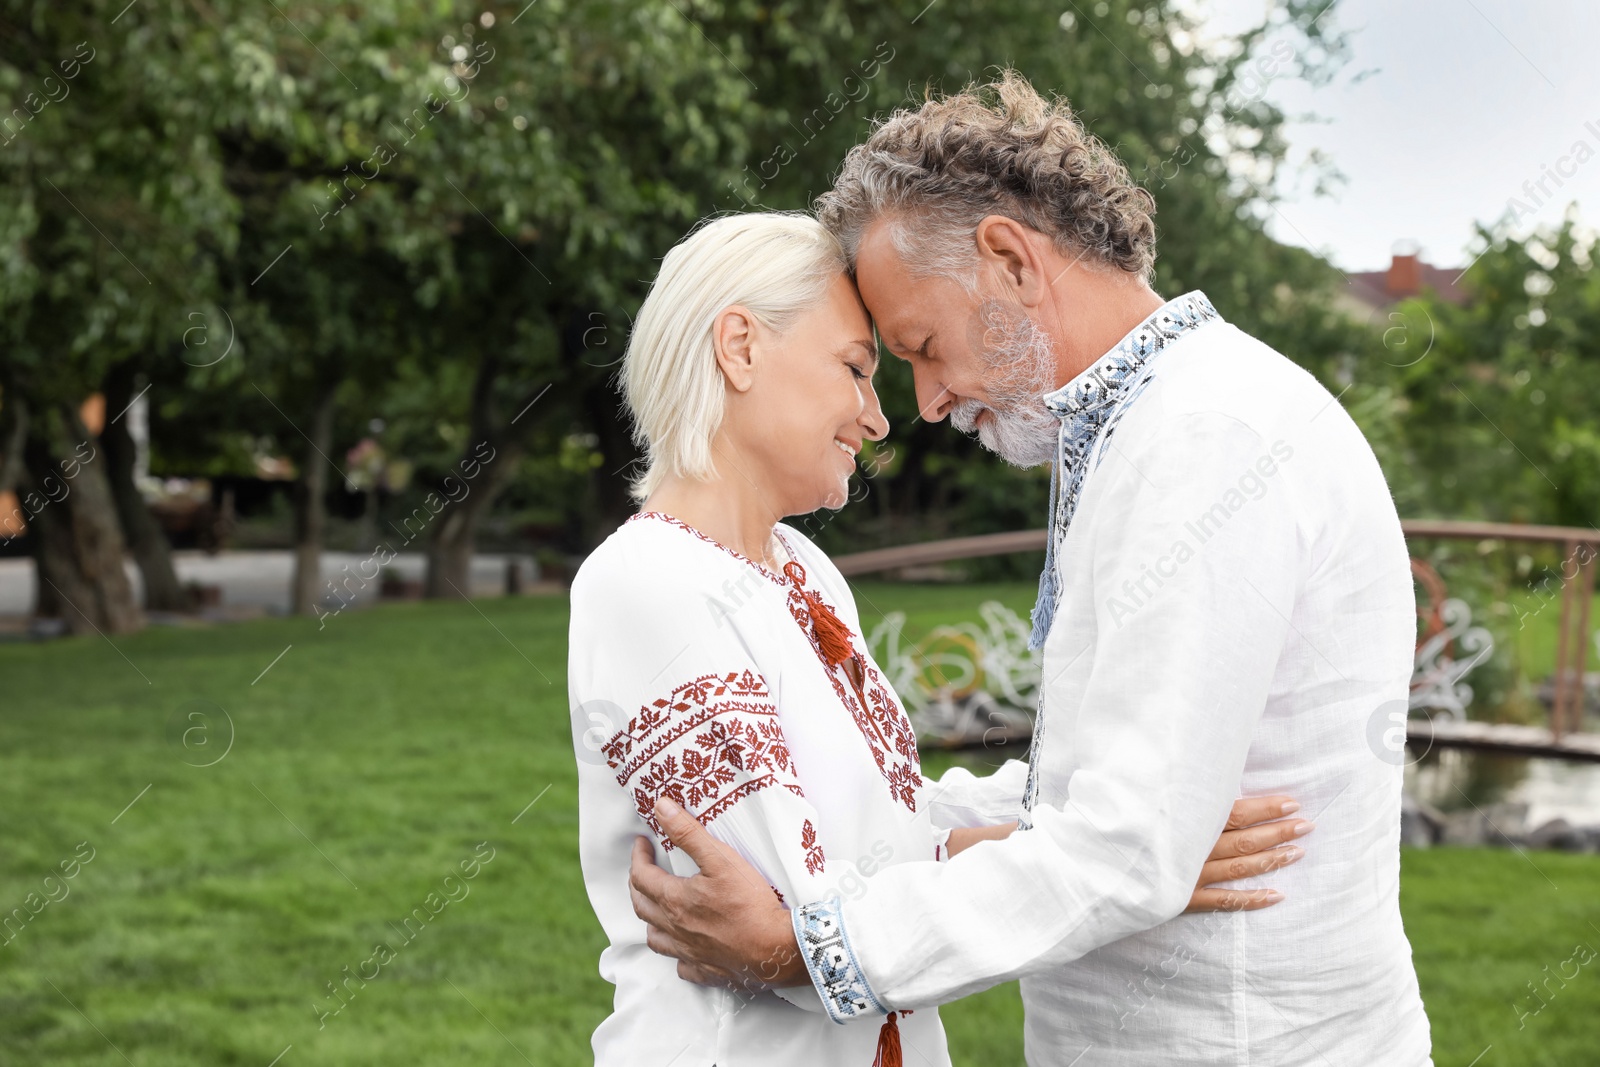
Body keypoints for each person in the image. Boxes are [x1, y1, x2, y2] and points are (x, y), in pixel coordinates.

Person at [627, 74, 1435, 1065]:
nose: (924, 402)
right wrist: (930, 822)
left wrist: (804, 946)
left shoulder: (1206, 437)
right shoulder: (1150, 422)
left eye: (921, 346)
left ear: (1008, 256)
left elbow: (1122, 847)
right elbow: (1102, 792)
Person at [568, 211, 1310, 1066]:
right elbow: (781, 920)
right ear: (739, 347)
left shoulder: (799, 566)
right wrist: (1119, 862)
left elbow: (885, 825)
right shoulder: (650, 582)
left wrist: (1128, 835)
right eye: (855, 368)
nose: (879, 418)